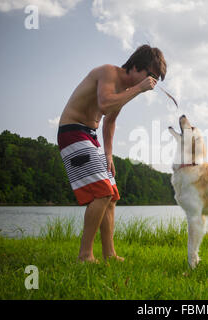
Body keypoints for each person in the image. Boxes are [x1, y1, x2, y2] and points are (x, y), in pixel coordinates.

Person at [57, 45, 167, 263]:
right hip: (72, 131)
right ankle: (85, 255)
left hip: (91, 136)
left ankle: (109, 254)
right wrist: (138, 90)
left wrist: (108, 153)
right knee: (102, 193)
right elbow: (105, 104)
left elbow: (109, 121)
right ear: (136, 67)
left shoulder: (126, 90)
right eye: (152, 76)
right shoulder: (108, 72)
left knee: (112, 196)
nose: (152, 83)